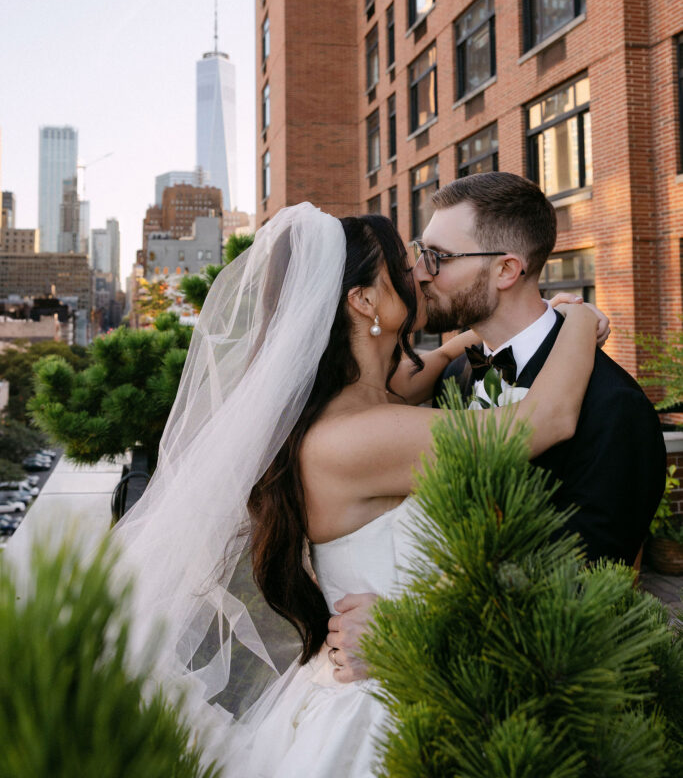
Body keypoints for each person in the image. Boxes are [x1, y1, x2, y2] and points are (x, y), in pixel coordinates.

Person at [113, 202, 601, 778]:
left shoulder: (360, 406)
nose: (420, 272)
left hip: (372, 674)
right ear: (365, 301)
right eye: (404, 262)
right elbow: (544, 423)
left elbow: (406, 381)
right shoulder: (362, 436)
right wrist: (580, 321)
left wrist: (454, 342)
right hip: (384, 704)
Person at [327, 174, 666, 688]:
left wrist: (411, 624)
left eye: (438, 257)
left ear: (507, 269)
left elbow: (585, 590)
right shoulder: (452, 374)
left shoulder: (614, 407)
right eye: (420, 253)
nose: (418, 273)